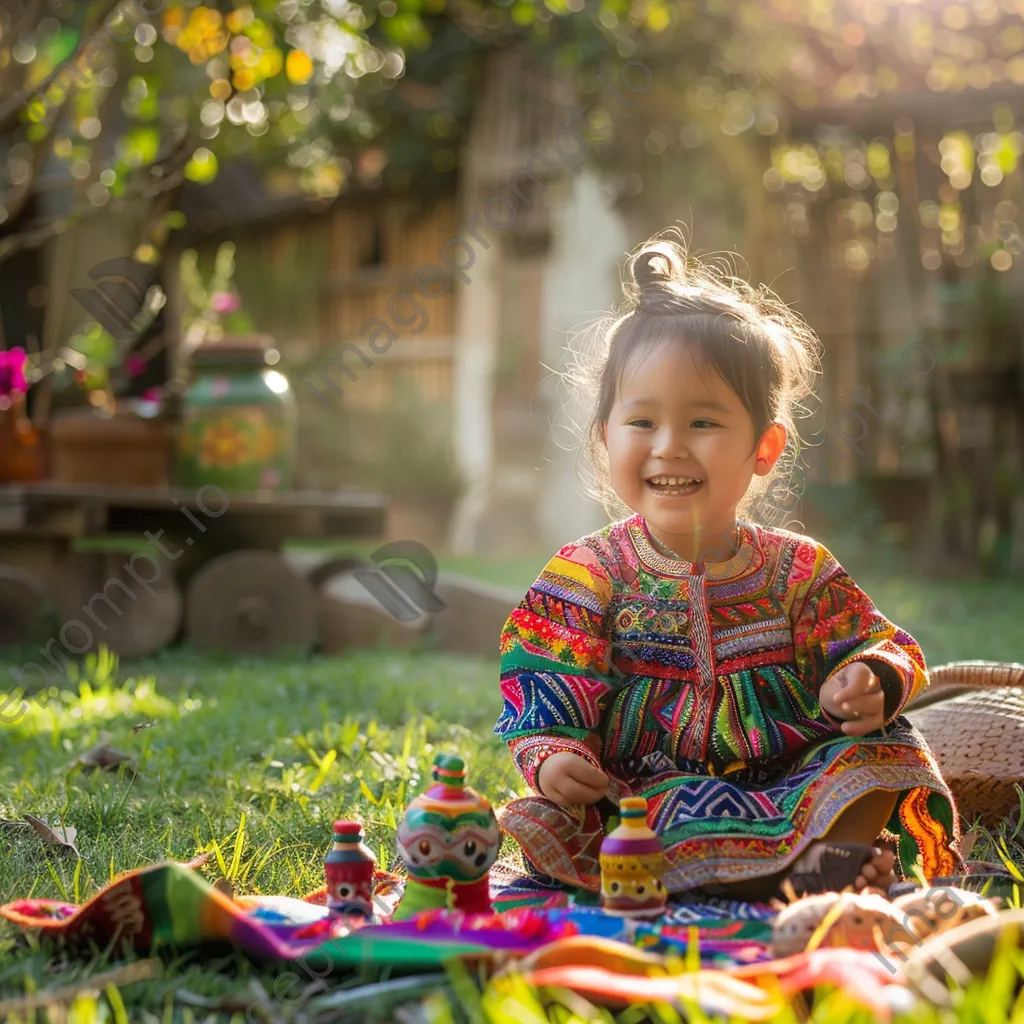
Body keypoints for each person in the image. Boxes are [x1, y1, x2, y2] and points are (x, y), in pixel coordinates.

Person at [493, 232, 962, 900]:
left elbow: (874, 642)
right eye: (642, 422)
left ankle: (818, 868)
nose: (670, 447)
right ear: (604, 437)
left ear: (764, 447)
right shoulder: (588, 573)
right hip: (638, 802)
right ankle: (774, 881)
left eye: (704, 424)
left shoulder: (797, 570)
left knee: (886, 747)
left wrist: (868, 678)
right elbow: (544, 680)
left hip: (783, 789)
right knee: (559, 819)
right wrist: (556, 756)